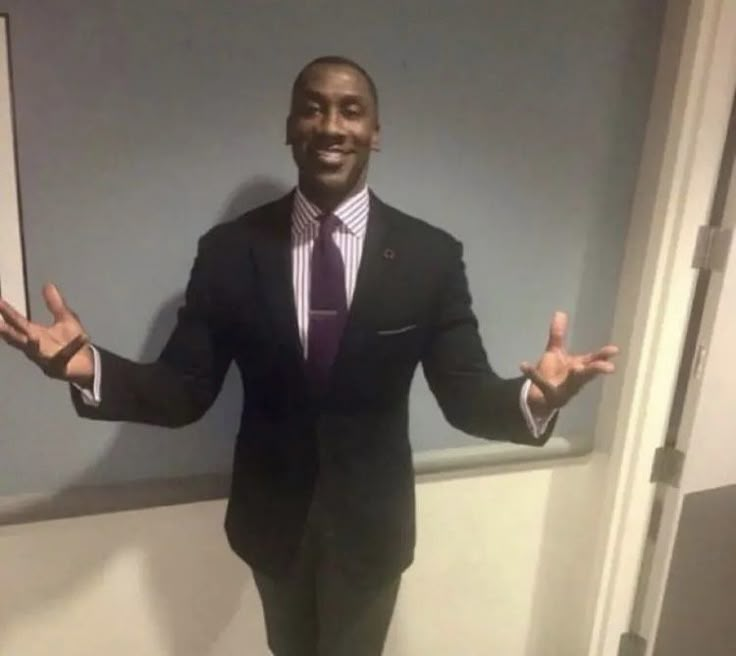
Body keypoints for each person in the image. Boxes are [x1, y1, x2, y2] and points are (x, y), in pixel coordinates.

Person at [0, 56, 618, 656]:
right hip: (270, 524)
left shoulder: (429, 256)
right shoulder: (229, 251)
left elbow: (464, 393)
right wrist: (87, 366)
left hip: (372, 529)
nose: (331, 125)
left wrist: (533, 399)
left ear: (375, 132)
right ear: (290, 128)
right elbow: (183, 389)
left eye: (351, 111)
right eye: (313, 109)